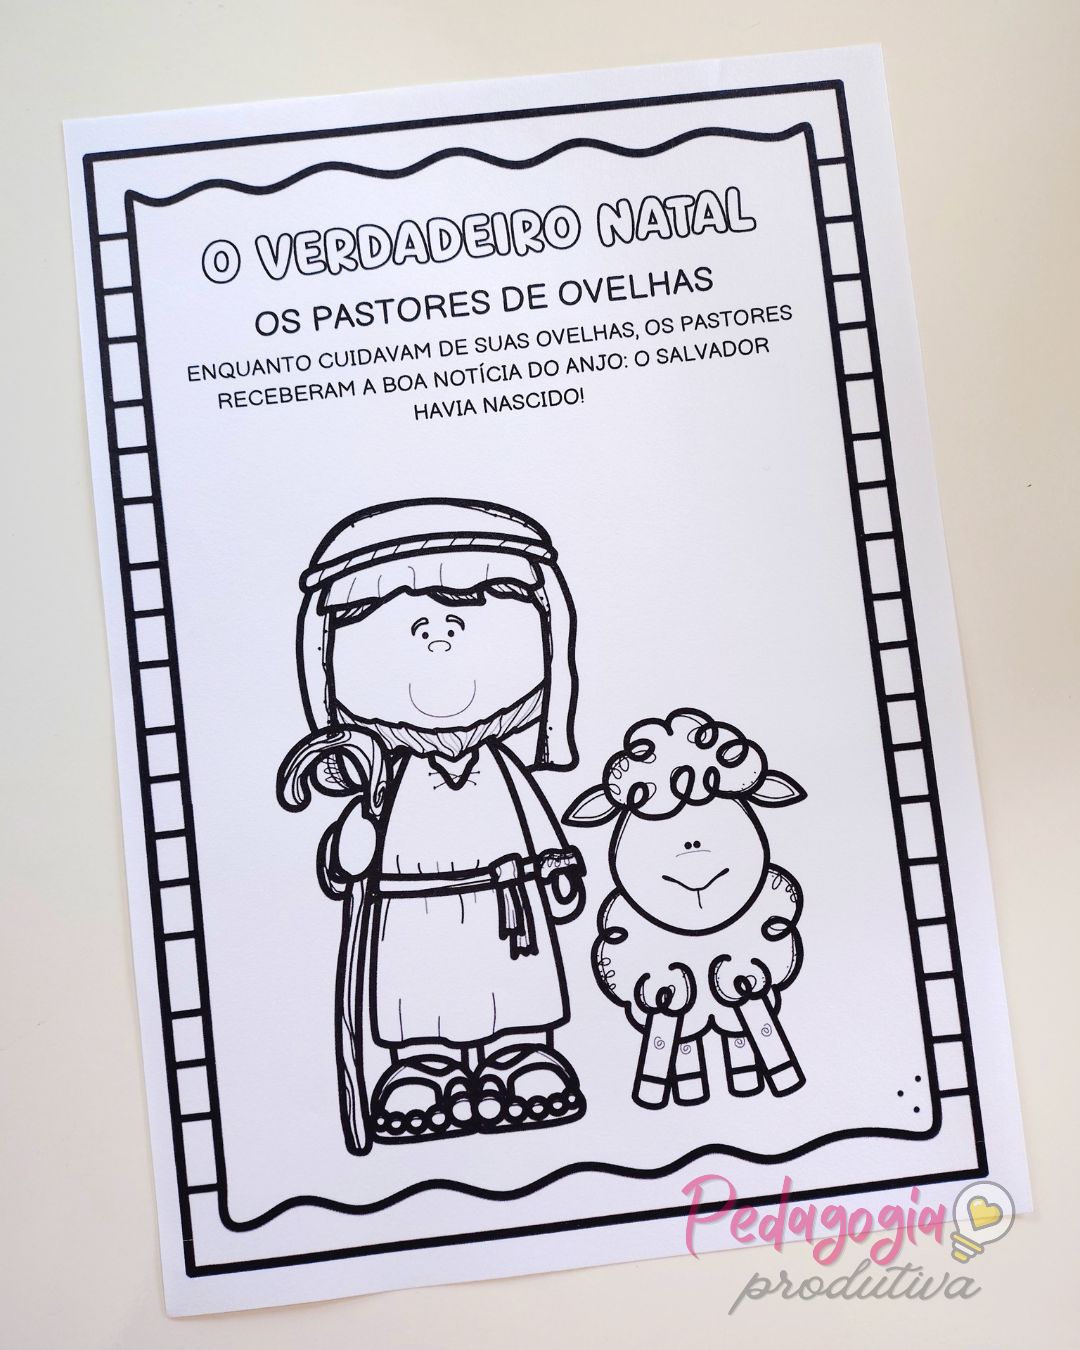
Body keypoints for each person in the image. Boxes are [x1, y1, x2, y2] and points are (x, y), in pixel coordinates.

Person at [278, 498, 587, 1153]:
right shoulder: (389, 776)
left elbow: (537, 824)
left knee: (514, 991)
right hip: (412, 907)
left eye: (461, 618)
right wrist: (352, 846)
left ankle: (521, 1056)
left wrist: (556, 866)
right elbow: (354, 850)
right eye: (413, 625)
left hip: (507, 904)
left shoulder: (501, 766)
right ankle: (424, 1065)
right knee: (420, 988)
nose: (439, 639)